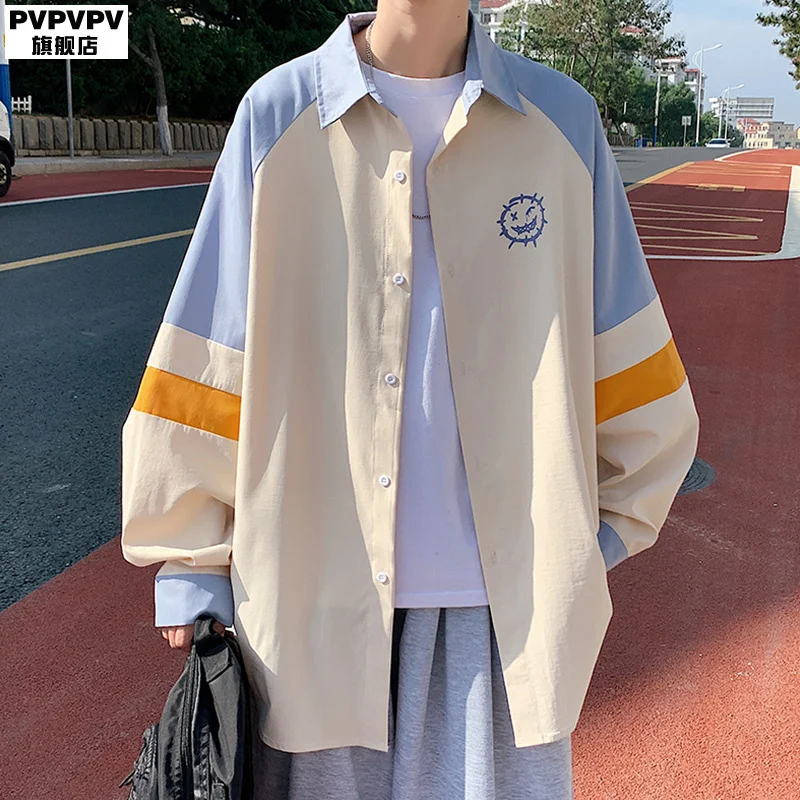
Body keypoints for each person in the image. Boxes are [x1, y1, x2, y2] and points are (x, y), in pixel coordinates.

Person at [121, 1, 700, 797]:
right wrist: (189, 558)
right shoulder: (279, 117)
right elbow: (212, 358)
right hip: (311, 603)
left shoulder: (561, 123)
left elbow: (631, 367)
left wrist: (574, 550)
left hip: (505, 621)